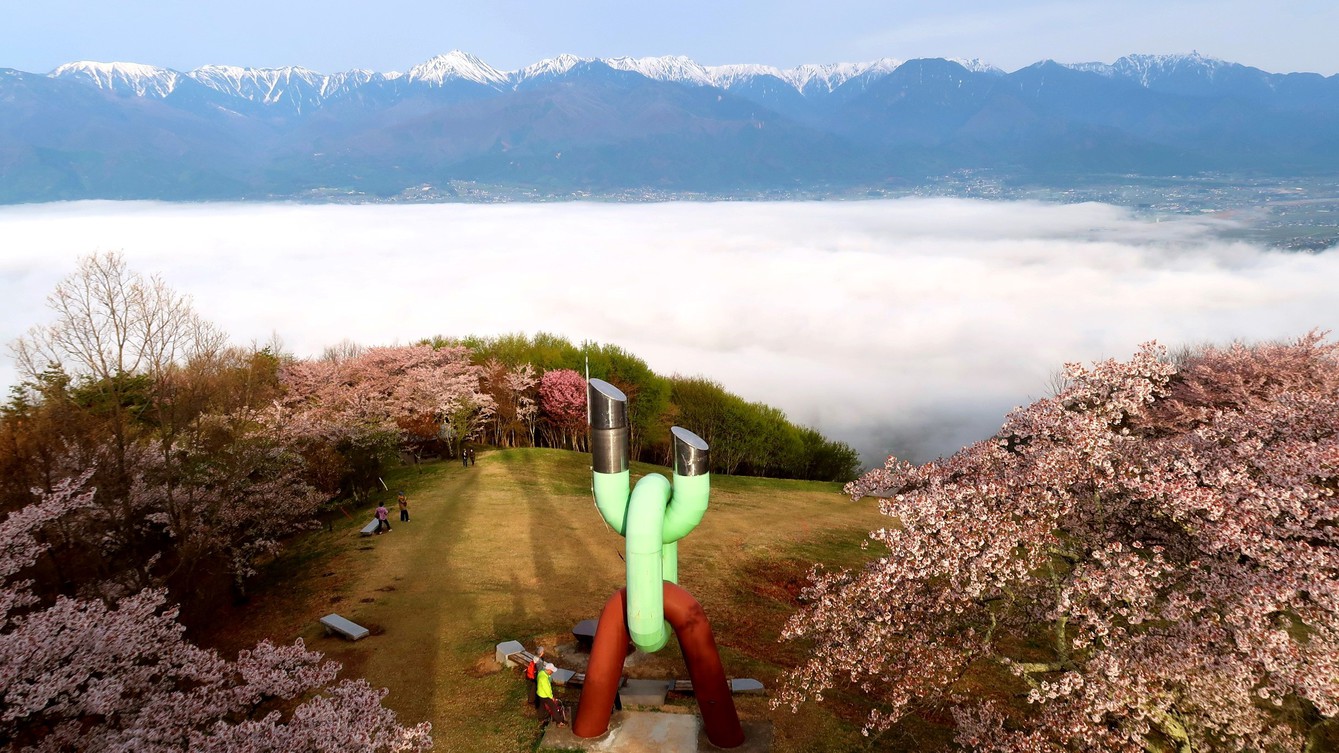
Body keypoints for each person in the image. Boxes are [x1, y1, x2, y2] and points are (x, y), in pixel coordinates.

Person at [537, 662, 566, 727]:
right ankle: (559, 722)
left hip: (540, 693)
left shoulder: (541, 672)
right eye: (552, 671)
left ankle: (540, 718)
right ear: (548, 670)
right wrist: (551, 697)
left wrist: (549, 676)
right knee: (553, 707)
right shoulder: (544, 678)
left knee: (541, 706)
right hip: (545, 696)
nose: (552, 672)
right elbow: (546, 689)